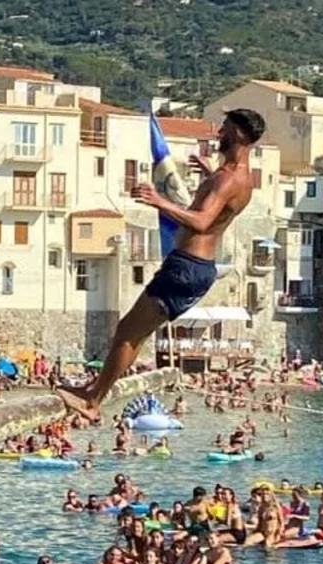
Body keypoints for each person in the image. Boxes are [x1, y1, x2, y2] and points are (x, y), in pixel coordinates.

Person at [56, 109, 266, 422]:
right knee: (135, 335)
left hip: (186, 267)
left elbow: (202, 221)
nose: (218, 132)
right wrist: (208, 175)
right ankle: (95, 390)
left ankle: (93, 401)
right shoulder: (242, 178)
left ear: (236, 134)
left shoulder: (225, 180)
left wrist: (158, 201)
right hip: (197, 268)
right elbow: (221, 206)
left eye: (224, 127)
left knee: (127, 331)